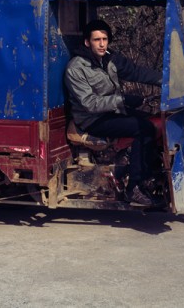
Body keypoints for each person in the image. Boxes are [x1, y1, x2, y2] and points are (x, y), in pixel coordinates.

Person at [64, 19, 162, 206]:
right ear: (87, 42)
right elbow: (89, 103)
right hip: (93, 119)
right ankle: (135, 187)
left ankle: (149, 174)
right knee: (144, 128)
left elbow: (135, 72)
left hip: (113, 111)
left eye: (105, 39)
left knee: (154, 122)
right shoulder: (76, 68)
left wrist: (166, 80)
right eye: (97, 40)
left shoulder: (109, 58)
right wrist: (122, 100)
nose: (102, 44)